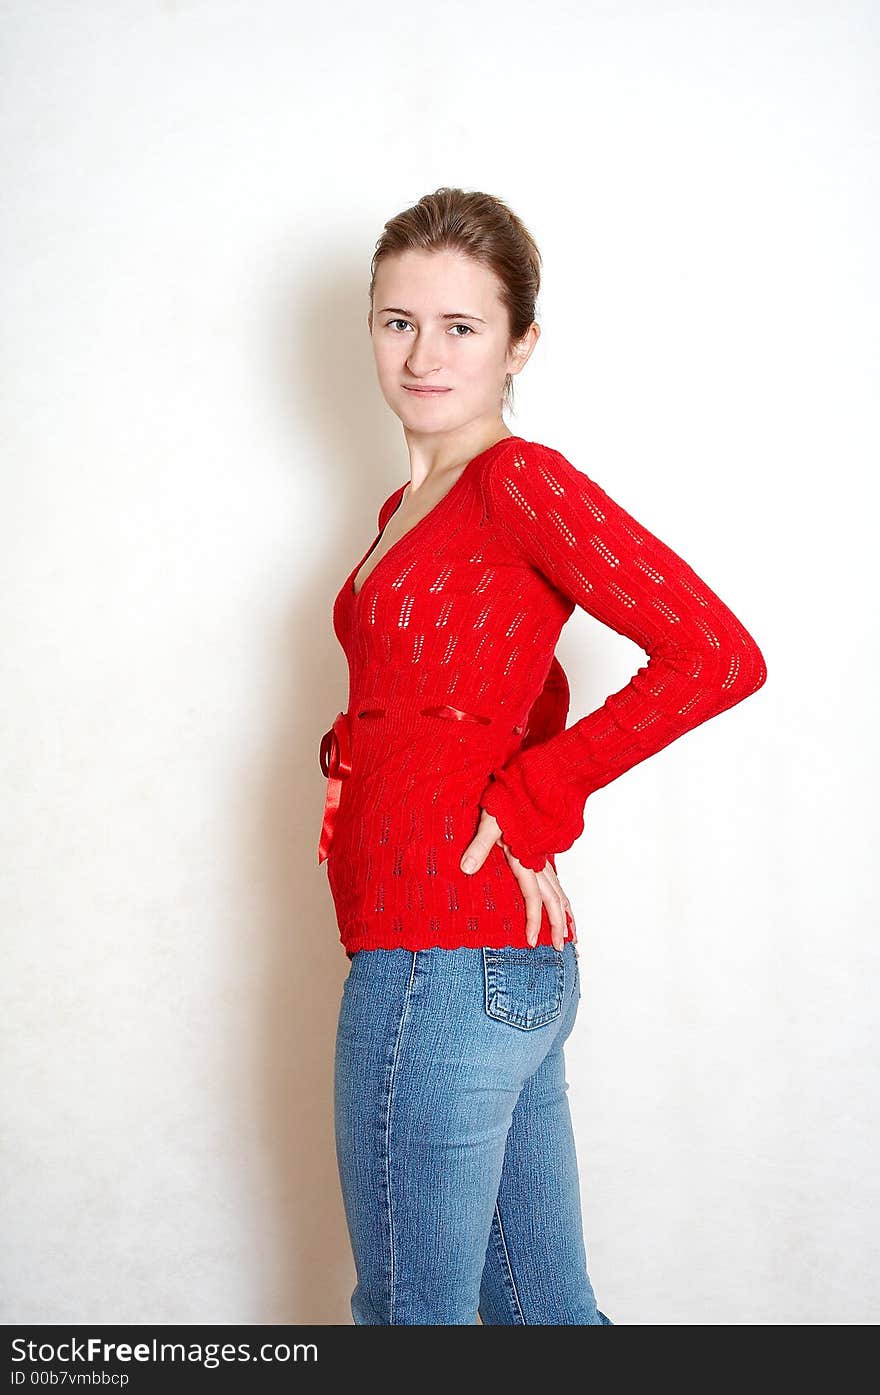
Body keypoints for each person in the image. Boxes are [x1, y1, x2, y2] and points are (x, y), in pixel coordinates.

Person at [319, 187, 767, 1325]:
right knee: (546, 1322)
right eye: (397, 320)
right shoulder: (407, 505)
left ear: (520, 342)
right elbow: (505, 684)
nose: (423, 354)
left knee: (410, 1319)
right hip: (486, 961)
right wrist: (363, 764)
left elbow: (715, 655)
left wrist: (530, 800)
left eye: (460, 327)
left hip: (439, 958)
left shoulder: (517, 481)